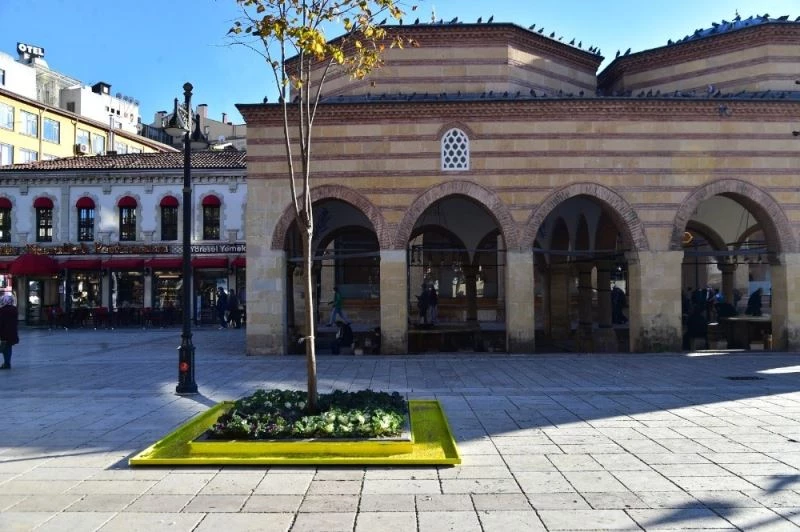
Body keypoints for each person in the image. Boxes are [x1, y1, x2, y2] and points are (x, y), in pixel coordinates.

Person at [0, 294, 19, 369]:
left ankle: (7, 363)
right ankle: (7, 363)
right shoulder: (14, 310)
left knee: (5, 348)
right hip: (12, 332)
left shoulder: (2, 310)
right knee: (8, 347)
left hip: (3, 332)